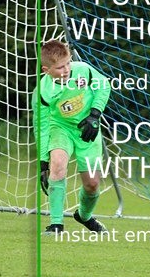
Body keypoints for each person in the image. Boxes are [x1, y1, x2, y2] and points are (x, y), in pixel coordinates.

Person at [33, 40, 111, 236]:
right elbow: (41, 127)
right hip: (60, 128)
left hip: (87, 128)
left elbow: (104, 86)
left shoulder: (83, 70)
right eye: (60, 67)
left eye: (68, 63)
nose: (66, 69)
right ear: (46, 70)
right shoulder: (43, 92)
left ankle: (84, 216)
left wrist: (95, 114)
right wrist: (43, 162)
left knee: (92, 184)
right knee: (58, 166)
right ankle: (56, 224)